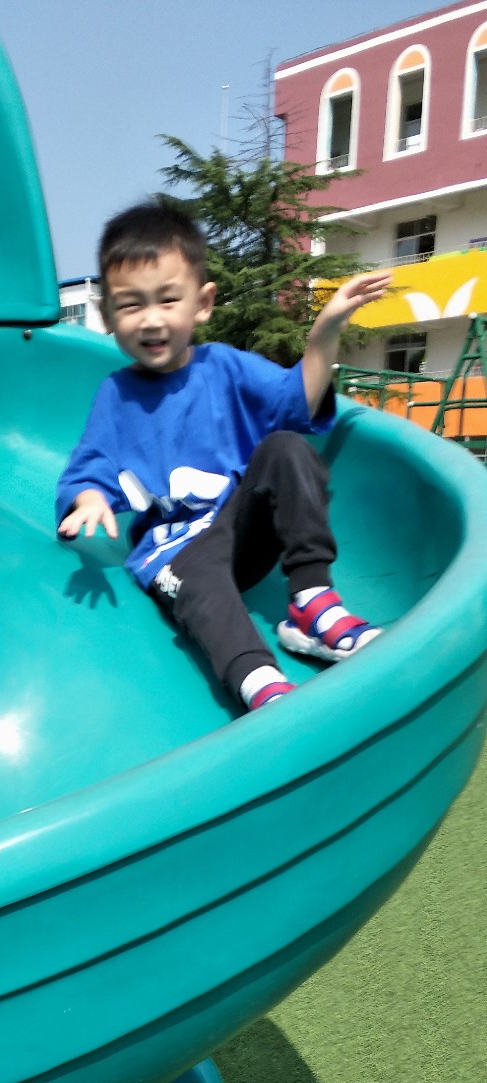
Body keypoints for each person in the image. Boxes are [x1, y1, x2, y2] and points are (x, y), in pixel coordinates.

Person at [56, 202, 391, 710]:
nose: (151, 320)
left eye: (169, 299)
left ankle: (311, 601)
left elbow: (296, 404)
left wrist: (324, 331)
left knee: (286, 447)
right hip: (176, 551)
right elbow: (89, 465)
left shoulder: (226, 368)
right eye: (131, 305)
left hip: (239, 533)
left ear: (203, 303)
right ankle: (260, 683)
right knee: (203, 587)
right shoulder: (116, 396)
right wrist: (88, 499)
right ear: (107, 316)